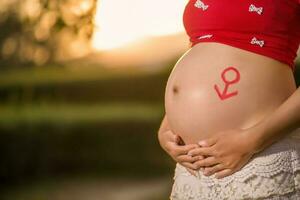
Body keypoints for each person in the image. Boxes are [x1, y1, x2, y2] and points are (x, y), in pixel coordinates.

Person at [158, 0, 300, 199]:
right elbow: (207, 47)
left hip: (259, 156)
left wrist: (251, 140)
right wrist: (169, 124)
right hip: (193, 168)